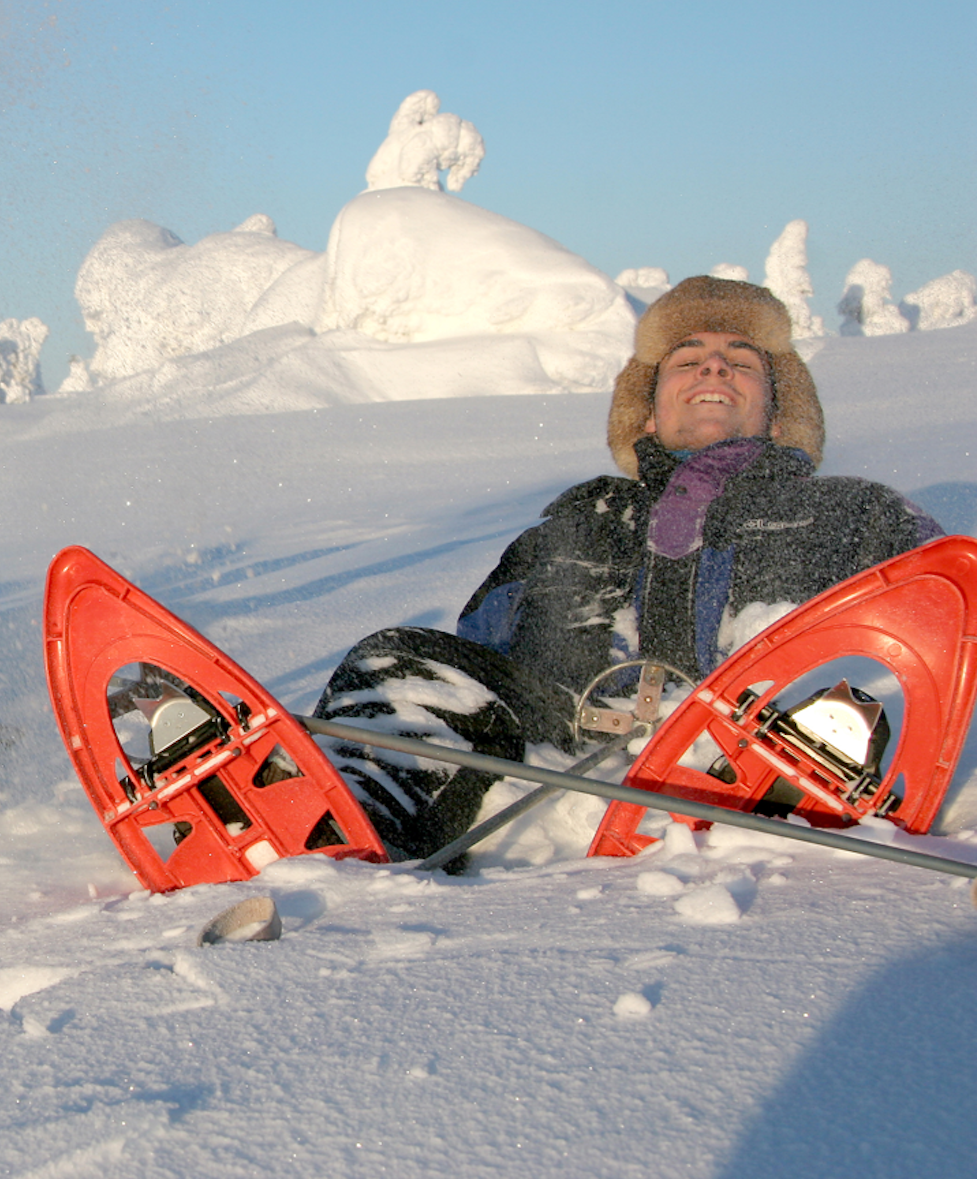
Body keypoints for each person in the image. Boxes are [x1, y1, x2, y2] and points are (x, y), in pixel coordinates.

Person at [309, 276, 944, 863]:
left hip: (756, 750)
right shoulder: (581, 518)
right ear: (644, 412)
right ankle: (340, 841)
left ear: (780, 415)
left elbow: (952, 623)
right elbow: (477, 655)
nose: (714, 366)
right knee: (400, 660)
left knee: (844, 706)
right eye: (687, 359)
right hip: (559, 768)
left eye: (743, 361)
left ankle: (792, 816)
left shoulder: (856, 512)